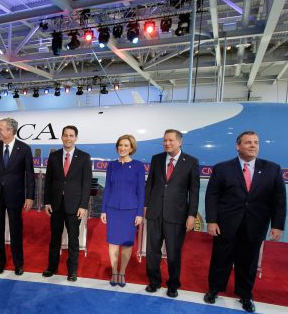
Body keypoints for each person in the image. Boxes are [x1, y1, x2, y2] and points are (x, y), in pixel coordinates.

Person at [203, 131, 286, 313]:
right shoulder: (222, 168)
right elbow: (212, 196)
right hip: (225, 224)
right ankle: (214, 290)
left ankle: (245, 295)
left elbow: (279, 200)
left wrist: (277, 225)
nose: (253, 145)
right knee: (220, 258)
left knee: (248, 261)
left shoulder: (272, 169)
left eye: (256, 142)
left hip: (255, 224)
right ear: (237, 146)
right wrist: (211, 221)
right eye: (248, 142)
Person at [144, 129, 200, 298]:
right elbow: (150, 184)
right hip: (155, 212)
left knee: (174, 252)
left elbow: (194, 191)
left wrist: (192, 215)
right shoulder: (156, 159)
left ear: (180, 142)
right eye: (164, 140)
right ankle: (154, 282)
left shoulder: (190, 162)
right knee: (152, 250)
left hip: (177, 215)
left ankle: (173, 284)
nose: (167, 143)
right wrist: (146, 205)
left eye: (170, 140)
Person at [0, 117, 35, 275]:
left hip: (15, 196)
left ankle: (19, 264)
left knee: (16, 232)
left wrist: (30, 197)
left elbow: (30, 175)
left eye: (1, 128)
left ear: (10, 131)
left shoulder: (24, 148)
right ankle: (0, 262)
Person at [42, 125, 92, 282]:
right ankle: (52, 267)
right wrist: (47, 202)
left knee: (73, 240)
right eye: (65, 135)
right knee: (55, 239)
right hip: (56, 205)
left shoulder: (84, 157)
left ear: (76, 138)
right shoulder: (54, 156)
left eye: (71, 135)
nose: (68, 138)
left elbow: (86, 183)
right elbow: (48, 181)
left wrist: (83, 205)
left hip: (75, 206)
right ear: (61, 137)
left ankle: (72, 271)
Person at [99, 135, 145, 287]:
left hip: (130, 211)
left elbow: (141, 191)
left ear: (132, 148)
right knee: (112, 243)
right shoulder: (112, 165)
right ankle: (114, 272)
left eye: (126, 145)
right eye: (120, 145)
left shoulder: (138, 166)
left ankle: (122, 272)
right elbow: (107, 189)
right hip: (113, 209)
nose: (122, 148)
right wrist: (103, 210)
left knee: (126, 244)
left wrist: (139, 213)